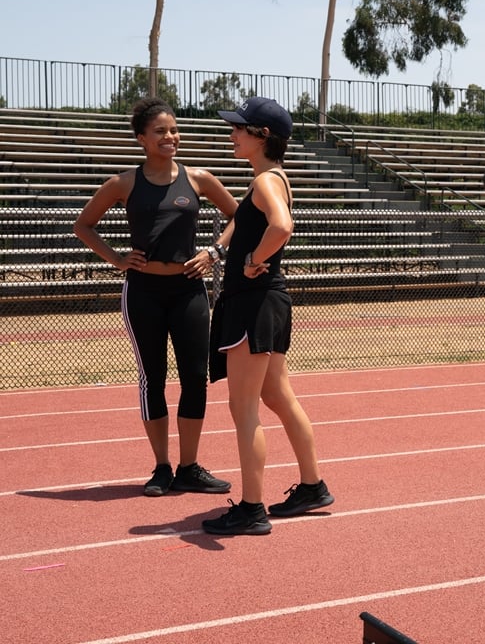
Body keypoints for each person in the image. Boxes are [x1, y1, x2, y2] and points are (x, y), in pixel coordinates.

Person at [74, 97, 238, 497]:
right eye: (161, 131)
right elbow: (84, 225)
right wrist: (116, 257)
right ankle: (162, 468)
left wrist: (214, 251)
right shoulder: (124, 183)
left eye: (174, 129)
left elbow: (240, 215)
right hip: (143, 290)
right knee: (153, 379)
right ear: (141, 139)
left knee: (195, 378)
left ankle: (189, 467)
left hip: (189, 291)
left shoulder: (199, 178)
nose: (170, 136)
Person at [201, 97, 333, 536]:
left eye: (240, 128)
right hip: (267, 302)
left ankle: (251, 509)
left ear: (262, 137)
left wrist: (254, 258)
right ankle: (313, 487)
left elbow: (281, 226)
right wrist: (228, 250)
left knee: (245, 410)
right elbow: (254, 221)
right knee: (279, 399)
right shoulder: (271, 177)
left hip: (253, 303)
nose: (232, 134)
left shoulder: (265, 184)